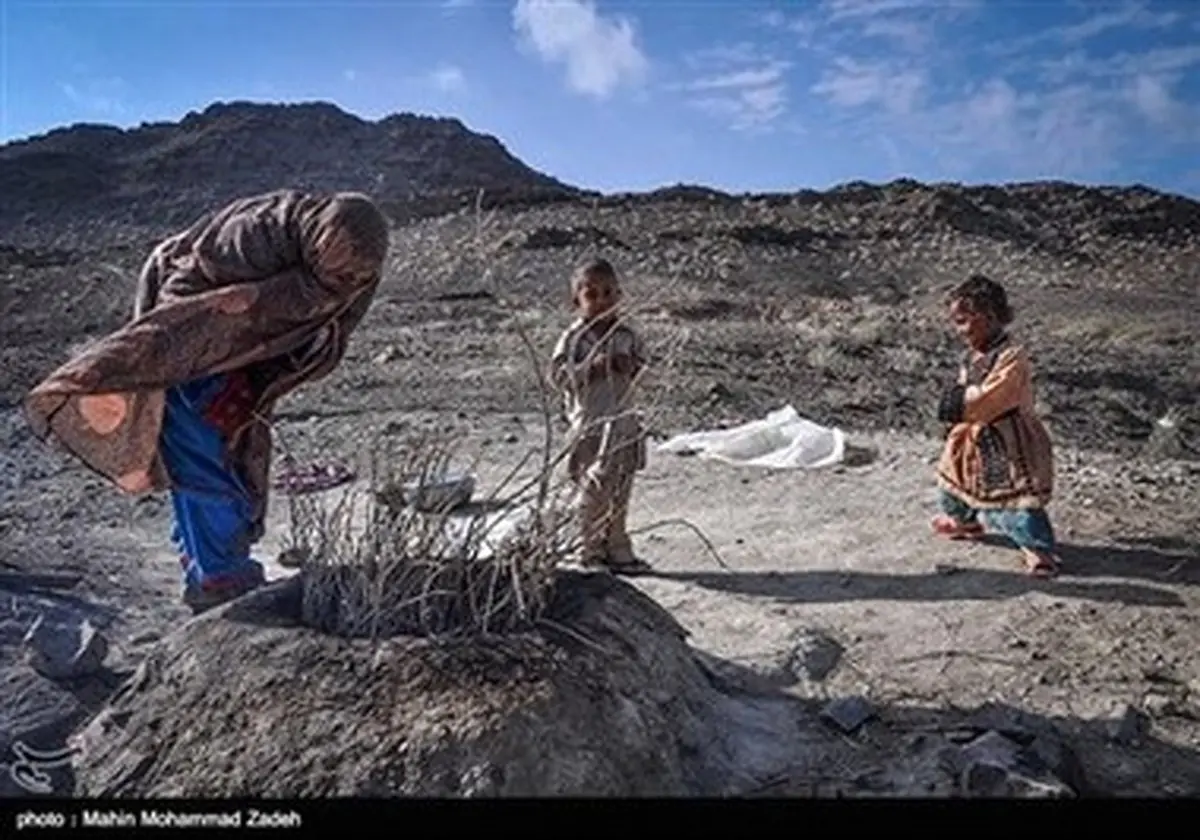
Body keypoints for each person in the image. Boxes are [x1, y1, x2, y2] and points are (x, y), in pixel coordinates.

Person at [24, 190, 390, 613]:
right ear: (319, 239)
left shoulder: (359, 269)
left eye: (352, 279)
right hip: (192, 344)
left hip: (247, 356)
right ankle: (219, 576)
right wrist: (197, 359)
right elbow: (184, 297)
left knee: (237, 451)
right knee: (202, 448)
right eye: (335, 272)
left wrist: (261, 355)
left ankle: (201, 558)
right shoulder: (254, 233)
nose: (341, 286)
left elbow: (330, 329)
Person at [932, 274, 1059, 578]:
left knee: (1015, 497)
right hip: (972, 434)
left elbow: (993, 396)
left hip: (1007, 437)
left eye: (963, 321)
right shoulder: (974, 355)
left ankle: (1037, 548)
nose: (959, 330)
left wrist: (962, 402)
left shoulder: (1011, 356)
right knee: (953, 479)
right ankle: (964, 521)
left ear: (988, 317)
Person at [550, 257, 652, 576]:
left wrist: (630, 367)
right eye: (592, 295)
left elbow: (645, 371)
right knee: (592, 491)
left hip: (623, 424)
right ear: (577, 300)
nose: (601, 301)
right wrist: (589, 369)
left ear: (619, 295)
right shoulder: (574, 338)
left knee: (620, 489)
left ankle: (619, 549)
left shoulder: (627, 335)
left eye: (608, 293)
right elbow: (557, 375)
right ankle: (589, 549)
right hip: (590, 426)